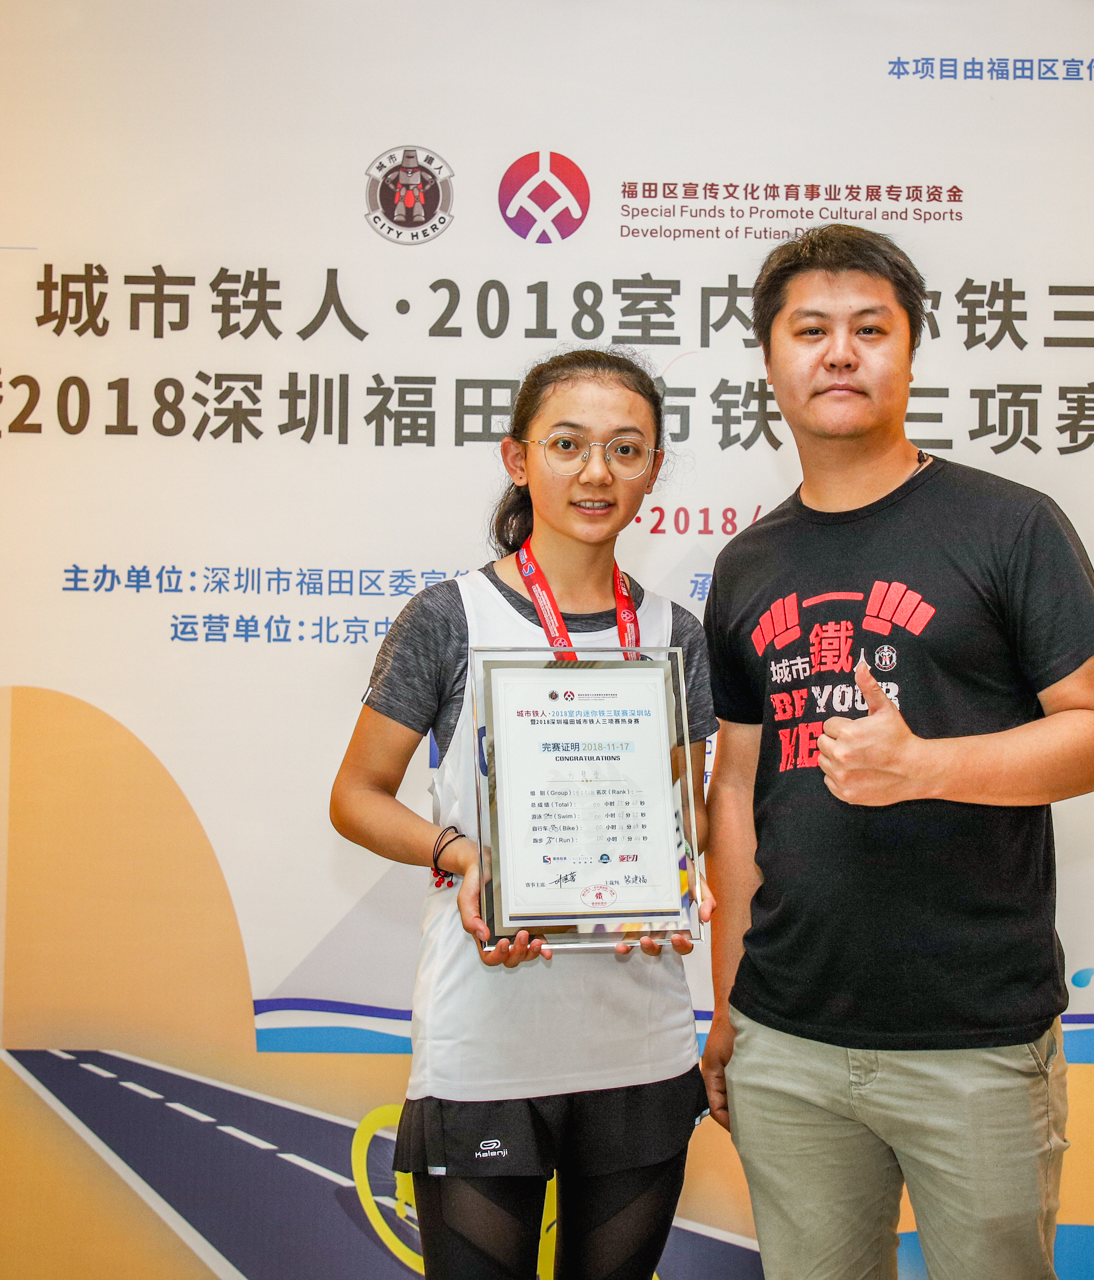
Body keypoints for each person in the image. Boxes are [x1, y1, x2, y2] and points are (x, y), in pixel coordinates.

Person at [698, 225, 1094, 1280]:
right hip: (787, 1039)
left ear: (909, 351)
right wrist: (729, 1009)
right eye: (810, 330)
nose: (839, 353)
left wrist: (924, 767)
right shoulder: (748, 563)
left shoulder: (1009, 525)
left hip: (973, 1037)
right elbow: (738, 788)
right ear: (770, 359)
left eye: (870, 329)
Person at [331, 347, 718, 1280]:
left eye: (626, 449)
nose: (597, 473)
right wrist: (463, 855)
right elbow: (355, 797)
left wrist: (674, 881)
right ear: (518, 458)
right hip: (487, 1040)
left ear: (654, 470)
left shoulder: (675, 635)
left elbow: (689, 820)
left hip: (637, 1038)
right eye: (568, 445)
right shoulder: (449, 618)